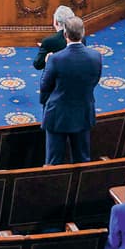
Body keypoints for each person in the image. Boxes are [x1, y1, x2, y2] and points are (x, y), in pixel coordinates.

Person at [39, 17, 101, 165]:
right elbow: (94, 80)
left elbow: (45, 85)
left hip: (58, 115)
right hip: (83, 112)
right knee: (83, 160)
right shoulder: (96, 56)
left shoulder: (55, 59)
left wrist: (47, 64)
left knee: (54, 162)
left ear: (65, 35)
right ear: (83, 33)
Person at [33, 5, 77, 71]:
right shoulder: (80, 38)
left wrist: (45, 47)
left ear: (56, 22)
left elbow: (38, 65)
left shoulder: (49, 41)